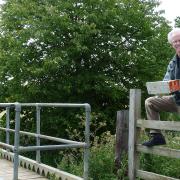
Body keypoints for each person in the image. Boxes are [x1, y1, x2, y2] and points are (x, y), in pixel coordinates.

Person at [142, 28, 180, 147]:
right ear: (171, 44)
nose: (177, 43)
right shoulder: (172, 63)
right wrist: (159, 91)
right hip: (176, 99)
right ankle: (157, 136)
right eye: (175, 41)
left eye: (179, 40)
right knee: (150, 102)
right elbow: (166, 82)